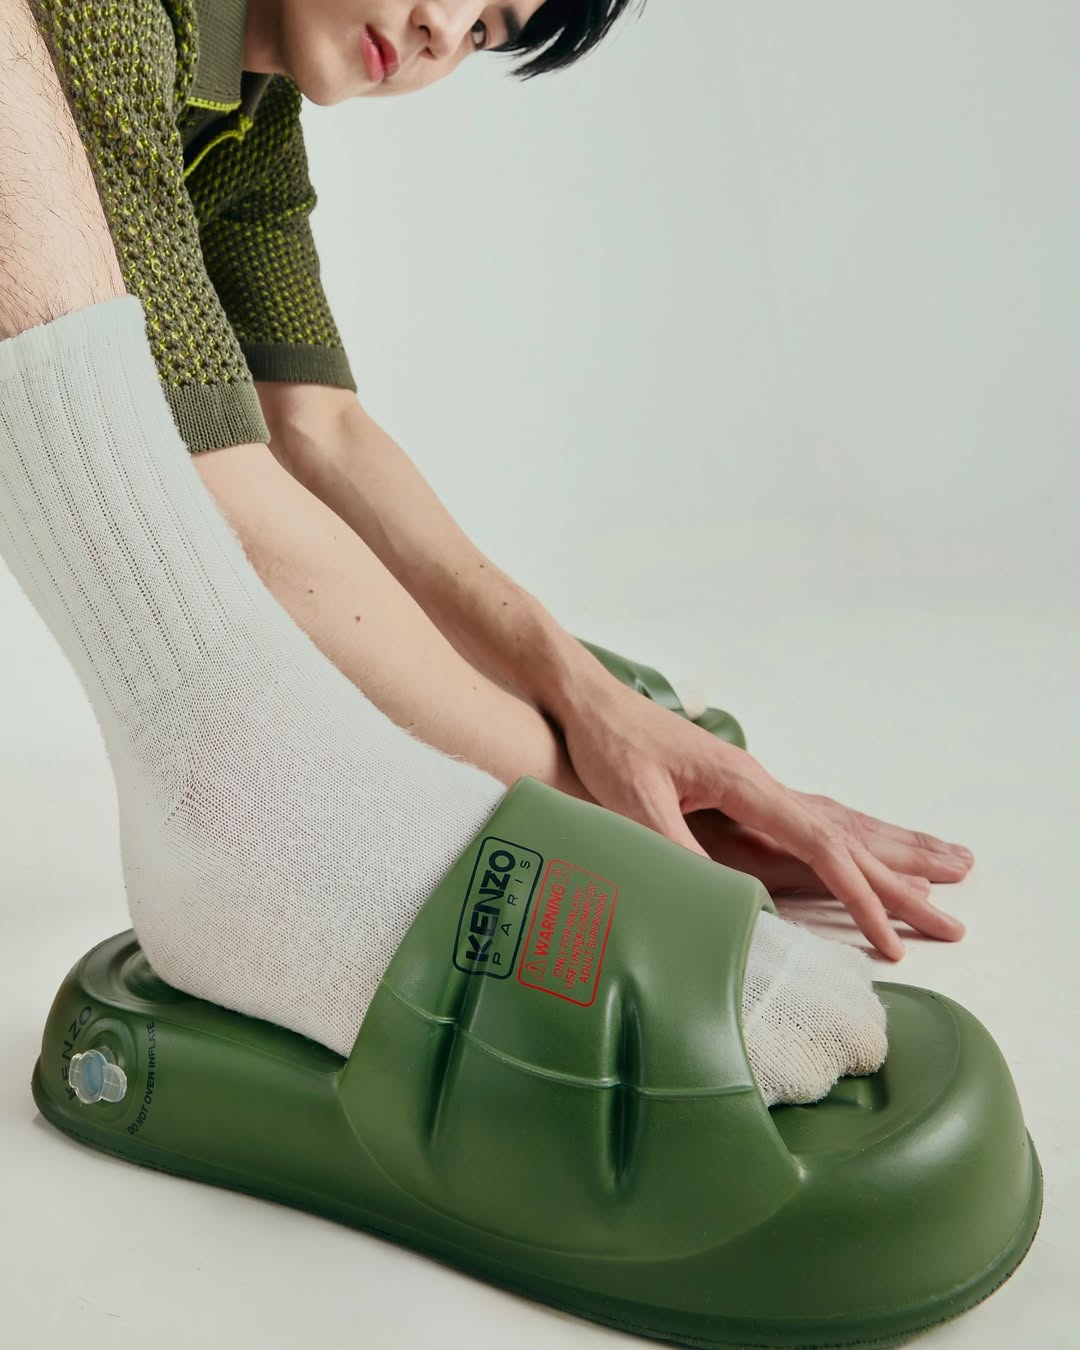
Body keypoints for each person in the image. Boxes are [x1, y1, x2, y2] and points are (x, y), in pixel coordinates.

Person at [0, 0, 967, 1108]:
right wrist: (564, 794)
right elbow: (231, 505)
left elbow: (320, 431)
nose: (440, 29)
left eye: (486, 33)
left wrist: (584, 697)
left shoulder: (252, 110)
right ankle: (247, 803)